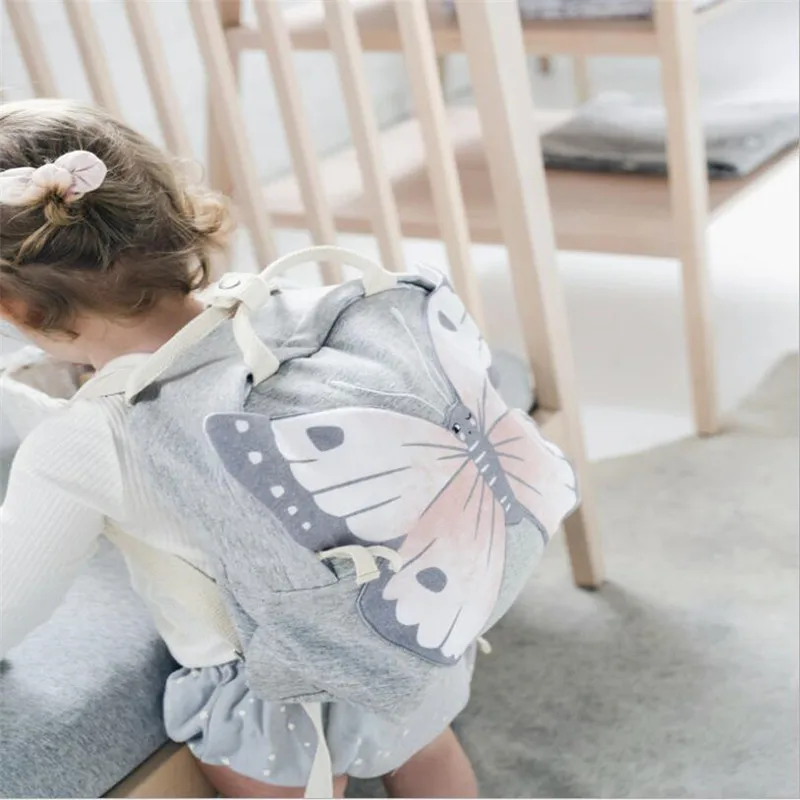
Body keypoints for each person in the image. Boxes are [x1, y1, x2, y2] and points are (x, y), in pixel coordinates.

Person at [0, 99, 478, 798]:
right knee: (430, 758)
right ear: (170, 213)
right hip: (403, 626)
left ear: (18, 311)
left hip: (271, 691)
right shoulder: (288, 311)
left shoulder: (79, 447)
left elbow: (11, 604)